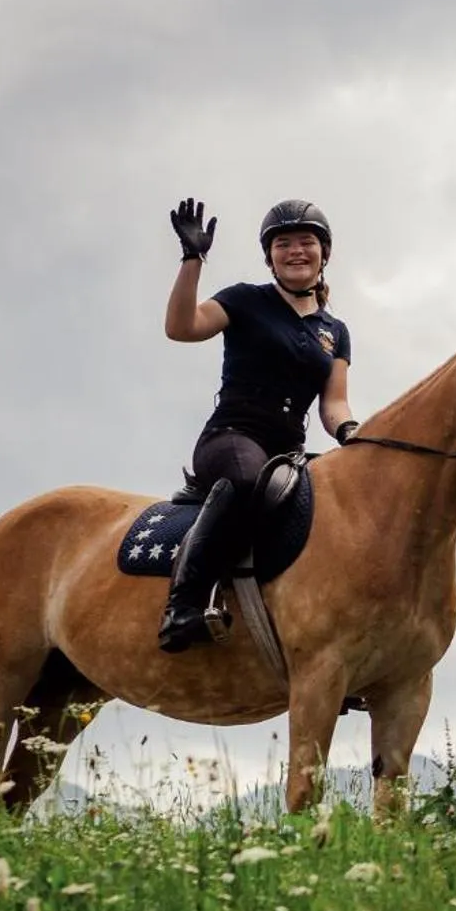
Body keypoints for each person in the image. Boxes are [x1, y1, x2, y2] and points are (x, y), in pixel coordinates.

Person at [157, 197, 359, 652]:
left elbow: (334, 404)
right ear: (270, 257)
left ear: (324, 253)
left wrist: (352, 433)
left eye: (306, 242)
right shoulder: (245, 299)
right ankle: (183, 603)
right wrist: (192, 260)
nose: (295, 251)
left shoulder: (335, 332)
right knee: (248, 482)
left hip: (288, 455)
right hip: (232, 437)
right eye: (283, 244)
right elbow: (181, 327)